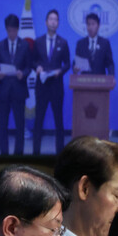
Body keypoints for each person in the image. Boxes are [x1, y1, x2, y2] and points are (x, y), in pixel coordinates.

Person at [32, 9, 71, 155]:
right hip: (42, 86)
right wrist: (37, 67)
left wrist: (61, 71)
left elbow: (67, 63)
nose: (53, 22)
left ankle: (60, 154)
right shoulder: (38, 41)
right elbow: (32, 61)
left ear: (58, 23)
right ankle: (35, 153)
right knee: (38, 121)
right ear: (46, 22)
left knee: (59, 122)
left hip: (56, 86)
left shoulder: (63, 42)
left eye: (56, 20)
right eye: (51, 19)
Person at [0, 14, 31, 155]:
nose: (12, 33)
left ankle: (18, 154)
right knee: (2, 125)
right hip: (4, 91)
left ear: (18, 29)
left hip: (19, 90)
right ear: (6, 29)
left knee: (20, 125)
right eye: (9, 30)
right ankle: (3, 153)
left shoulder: (25, 45)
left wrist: (23, 73)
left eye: (14, 30)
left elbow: (29, 67)